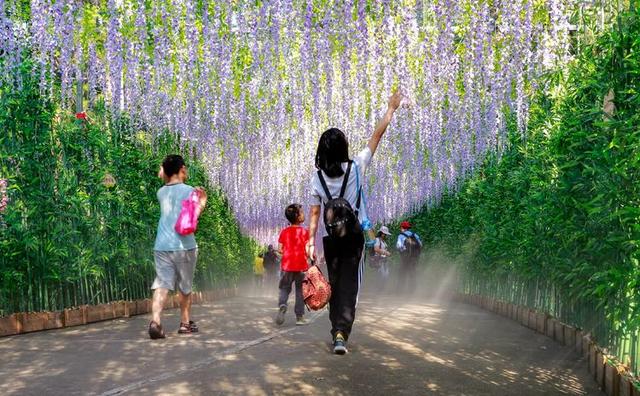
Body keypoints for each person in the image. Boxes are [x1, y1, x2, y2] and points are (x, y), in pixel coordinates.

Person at [307, 91, 403, 354]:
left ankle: (336, 328)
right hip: (354, 238)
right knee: (351, 286)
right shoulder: (357, 166)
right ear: (344, 148)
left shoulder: (317, 179)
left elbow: (315, 214)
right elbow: (376, 137)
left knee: (336, 284)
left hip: (331, 240)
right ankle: (341, 333)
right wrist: (390, 109)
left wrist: (310, 242)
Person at [149, 154, 207, 339]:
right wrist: (202, 201)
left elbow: (165, 179)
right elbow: (192, 217)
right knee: (185, 287)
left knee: (162, 284)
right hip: (185, 245)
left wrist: (164, 170)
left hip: (162, 245)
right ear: (182, 169)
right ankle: (184, 323)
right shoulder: (191, 191)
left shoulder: (160, 192)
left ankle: (156, 322)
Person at [275, 204, 310, 326]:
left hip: (287, 266)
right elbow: (308, 249)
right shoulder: (305, 232)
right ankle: (299, 318)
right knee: (300, 292)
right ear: (297, 216)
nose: (304, 214)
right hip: (301, 266)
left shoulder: (284, 232)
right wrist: (312, 256)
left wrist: (286, 254)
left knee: (284, 288)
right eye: (302, 212)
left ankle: (283, 304)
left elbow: (280, 249)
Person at [396, 221, 423, 294]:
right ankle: (412, 292)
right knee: (412, 274)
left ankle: (399, 292)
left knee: (402, 274)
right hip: (414, 258)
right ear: (408, 228)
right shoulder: (415, 235)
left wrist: (403, 251)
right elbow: (420, 245)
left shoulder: (401, 236)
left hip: (405, 258)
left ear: (402, 228)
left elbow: (398, 246)